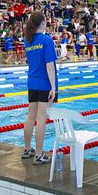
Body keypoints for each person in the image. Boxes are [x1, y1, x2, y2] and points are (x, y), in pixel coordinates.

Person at [21, 11, 58, 165]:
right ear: (42, 23)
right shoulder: (46, 41)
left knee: (31, 116)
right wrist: (53, 87)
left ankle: (27, 148)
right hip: (44, 84)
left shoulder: (27, 40)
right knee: (41, 119)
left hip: (32, 83)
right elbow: (50, 66)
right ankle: (38, 155)